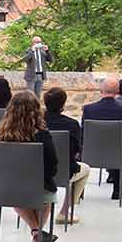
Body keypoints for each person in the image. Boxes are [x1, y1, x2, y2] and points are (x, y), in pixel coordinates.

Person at [0, 90, 59, 242]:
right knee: (46, 196)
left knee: (17, 194)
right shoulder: (42, 135)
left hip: (5, 189)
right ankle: (38, 232)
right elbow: (52, 165)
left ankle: (36, 231)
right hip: (38, 187)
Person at [81, 76, 122, 198]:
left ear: (101, 90)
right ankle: (117, 191)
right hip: (116, 154)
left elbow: (83, 133)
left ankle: (79, 192)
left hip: (91, 152)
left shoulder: (89, 109)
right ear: (117, 91)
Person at [43, 86, 89, 225]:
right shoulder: (72, 124)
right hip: (63, 171)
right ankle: (64, 212)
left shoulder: (36, 122)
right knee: (85, 169)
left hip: (37, 170)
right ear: (63, 104)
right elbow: (76, 150)